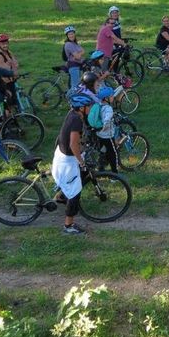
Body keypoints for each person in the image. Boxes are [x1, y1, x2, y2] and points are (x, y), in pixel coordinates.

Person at [52, 94, 94, 235]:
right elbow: (73, 144)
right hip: (66, 161)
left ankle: (61, 196)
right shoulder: (76, 120)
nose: (90, 108)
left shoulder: (72, 114)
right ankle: (68, 225)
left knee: (81, 176)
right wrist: (81, 161)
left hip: (62, 154)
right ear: (81, 108)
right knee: (75, 193)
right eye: (89, 106)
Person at [0, 33, 20, 110]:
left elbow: (16, 64)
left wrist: (11, 64)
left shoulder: (8, 52)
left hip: (10, 80)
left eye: (6, 43)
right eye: (3, 44)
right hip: (3, 82)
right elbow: (5, 70)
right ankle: (8, 118)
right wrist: (11, 65)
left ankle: (13, 115)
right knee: (8, 101)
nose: (5, 45)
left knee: (13, 100)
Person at [93, 86, 119, 172]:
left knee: (103, 151)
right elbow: (107, 120)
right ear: (106, 98)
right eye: (111, 96)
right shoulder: (109, 108)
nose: (113, 97)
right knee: (113, 153)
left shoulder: (99, 106)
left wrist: (100, 129)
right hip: (107, 135)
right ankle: (114, 175)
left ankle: (100, 168)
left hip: (99, 134)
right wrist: (104, 128)